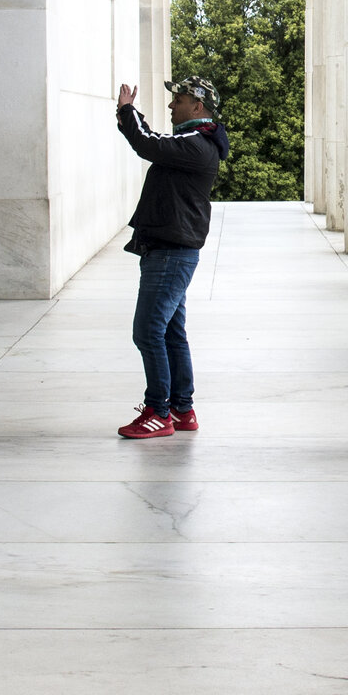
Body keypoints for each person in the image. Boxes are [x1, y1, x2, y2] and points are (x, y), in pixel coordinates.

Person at [112, 78, 228, 438]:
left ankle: (158, 412)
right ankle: (182, 410)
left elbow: (148, 143)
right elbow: (155, 143)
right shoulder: (195, 142)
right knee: (171, 333)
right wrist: (130, 116)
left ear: (198, 106)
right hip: (170, 249)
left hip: (171, 252)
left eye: (177, 99)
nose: (171, 106)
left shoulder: (197, 144)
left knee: (148, 332)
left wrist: (127, 111)